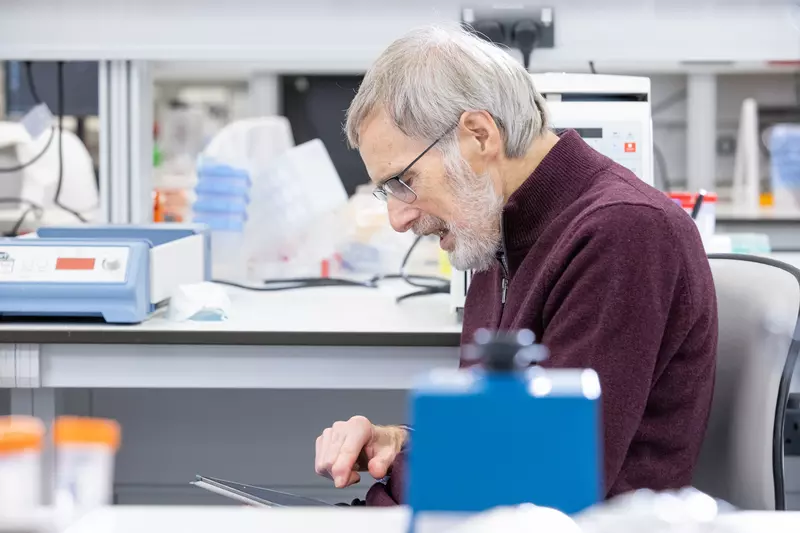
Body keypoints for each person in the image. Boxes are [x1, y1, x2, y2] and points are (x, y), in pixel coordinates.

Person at [314, 24, 718, 506]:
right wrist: (404, 441)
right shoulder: (492, 223)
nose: (398, 219)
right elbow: (498, 431)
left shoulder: (622, 233)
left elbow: (544, 479)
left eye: (403, 181)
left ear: (479, 136)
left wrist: (386, 492)